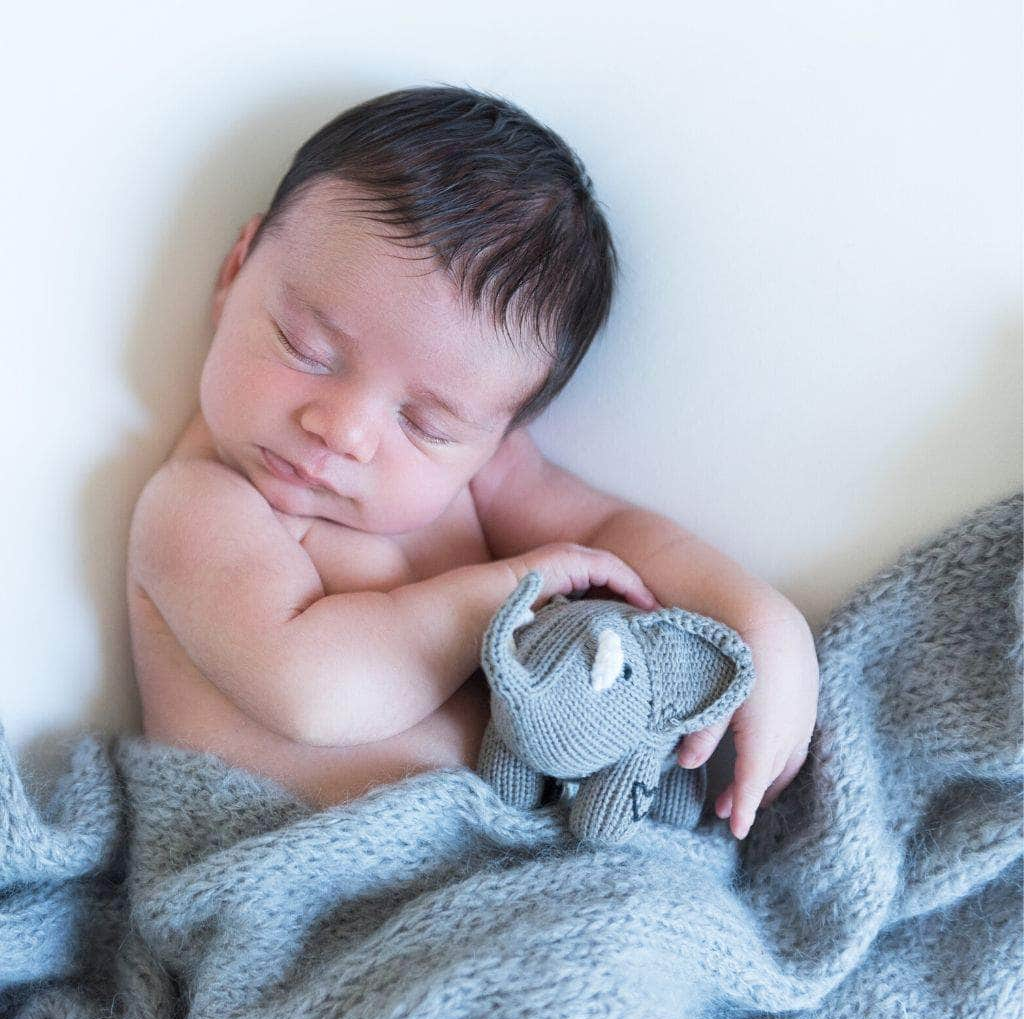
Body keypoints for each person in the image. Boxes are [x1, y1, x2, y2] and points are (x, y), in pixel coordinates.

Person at [126, 86, 819, 840]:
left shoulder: (479, 474)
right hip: (303, 878)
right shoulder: (197, 506)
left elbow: (613, 538)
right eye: (308, 349)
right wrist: (499, 595)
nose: (344, 431)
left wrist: (761, 624)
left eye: (425, 424)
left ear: (497, 434)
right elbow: (312, 691)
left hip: (514, 859)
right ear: (235, 272)